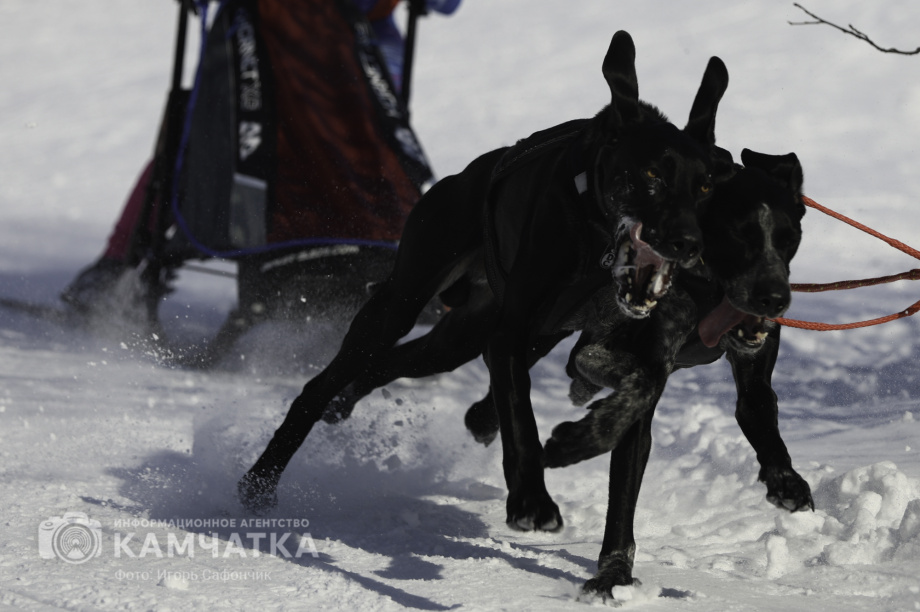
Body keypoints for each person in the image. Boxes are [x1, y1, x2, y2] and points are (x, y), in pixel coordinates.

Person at [61, 0, 461, 317]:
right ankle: (119, 260)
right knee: (200, 138)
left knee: (200, 138)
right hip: (263, 45)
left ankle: (357, 256)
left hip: (352, 52)